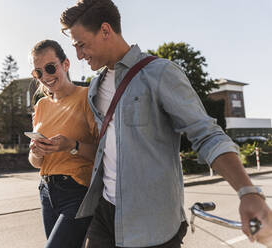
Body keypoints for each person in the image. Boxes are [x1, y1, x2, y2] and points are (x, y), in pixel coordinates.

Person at [60, 0, 272, 247]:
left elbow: (206, 134)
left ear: (106, 30)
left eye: (81, 45)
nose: (78, 55)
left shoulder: (159, 73)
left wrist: (247, 191)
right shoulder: (95, 86)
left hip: (152, 222)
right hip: (105, 212)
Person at [28, 39, 99, 248]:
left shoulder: (86, 97)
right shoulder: (41, 105)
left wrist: (72, 145)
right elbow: (35, 163)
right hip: (46, 192)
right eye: (38, 72)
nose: (46, 77)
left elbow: (103, 152)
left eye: (50, 68)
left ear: (65, 64)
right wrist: (37, 152)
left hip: (76, 191)